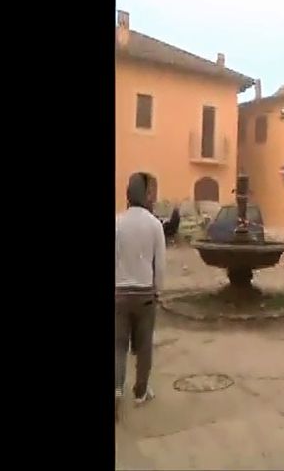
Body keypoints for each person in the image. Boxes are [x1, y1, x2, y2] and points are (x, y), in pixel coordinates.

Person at [115, 173, 166, 418]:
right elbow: (161, 264)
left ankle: (116, 388)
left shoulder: (117, 223)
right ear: (145, 194)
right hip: (145, 294)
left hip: (120, 294)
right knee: (144, 347)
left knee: (118, 346)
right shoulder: (154, 225)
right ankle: (140, 392)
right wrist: (159, 290)